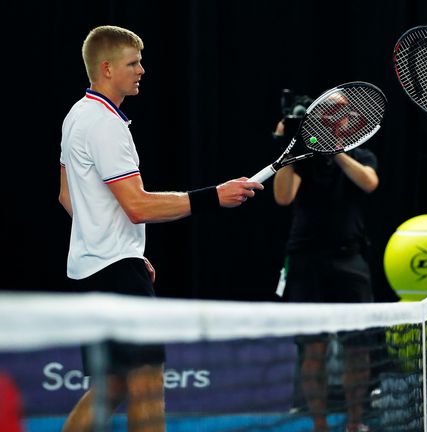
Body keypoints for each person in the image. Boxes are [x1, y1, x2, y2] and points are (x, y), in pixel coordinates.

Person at [58, 25, 262, 431]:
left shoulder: (76, 115)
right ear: (107, 68)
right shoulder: (104, 124)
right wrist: (213, 196)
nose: (142, 70)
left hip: (95, 270)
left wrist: (123, 248)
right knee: (148, 387)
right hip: (114, 275)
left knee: (111, 387)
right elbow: (136, 205)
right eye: (133, 63)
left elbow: (68, 197)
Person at [272, 109, 378, 432]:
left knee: (358, 349)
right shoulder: (303, 157)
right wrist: (289, 150)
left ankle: (355, 423)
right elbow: (282, 196)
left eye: (343, 112)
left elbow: (369, 183)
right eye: (329, 112)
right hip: (307, 262)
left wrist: (338, 152)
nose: (337, 118)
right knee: (313, 349)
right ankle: (320, 426)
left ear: (352, 119)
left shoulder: (362, 154)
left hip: (350, 260)